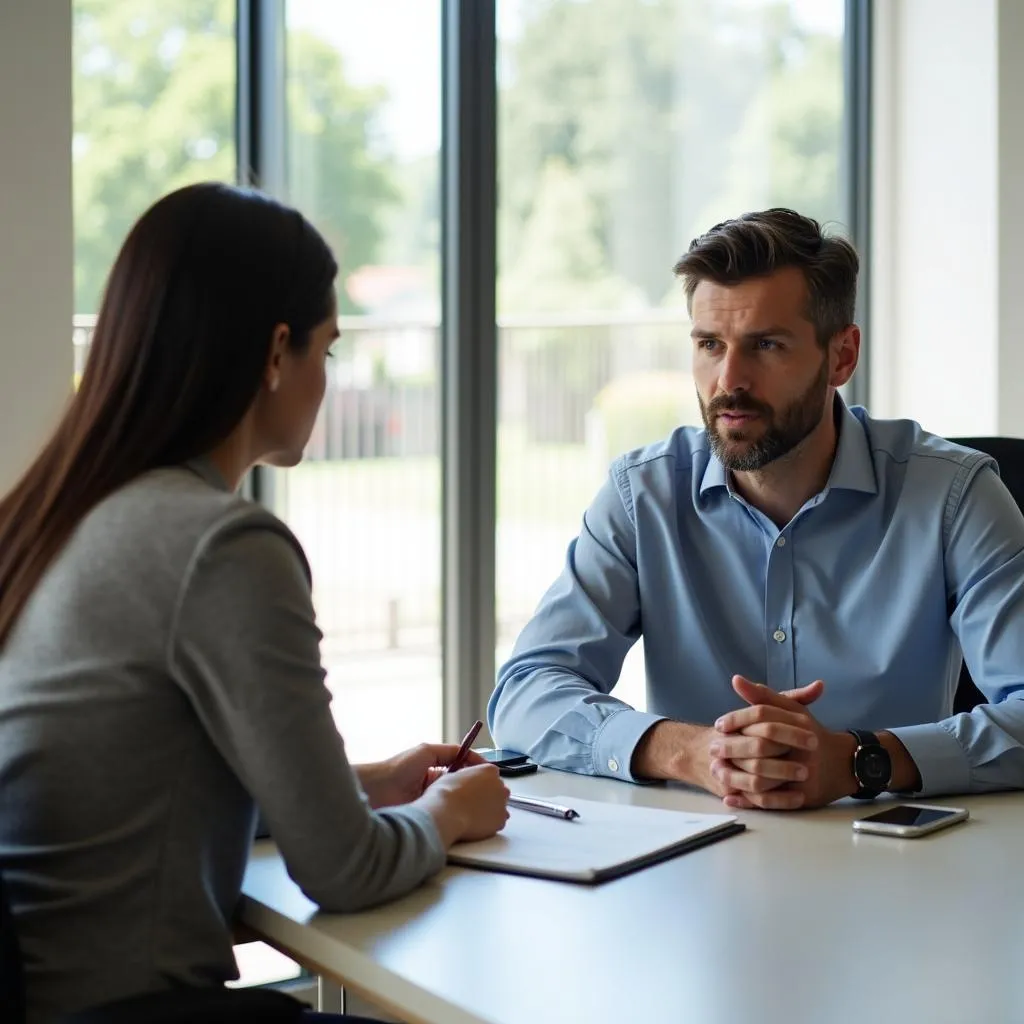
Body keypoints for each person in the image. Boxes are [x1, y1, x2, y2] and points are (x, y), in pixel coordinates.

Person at [0, 183, 509, 1024]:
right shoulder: (221, 545)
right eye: (328, 352)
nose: (326, 382)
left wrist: (374, 784)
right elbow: (345, 872)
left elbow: (133, 786)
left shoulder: (62, 514)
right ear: (278, 351)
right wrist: (448, 811)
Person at [490, 207, 1024, 812]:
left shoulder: (954, 497)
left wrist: (858, 761)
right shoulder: (644, 497)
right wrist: (690, 752)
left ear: (842, 356)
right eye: (709, 345)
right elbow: (525, 692)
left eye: (766, 345)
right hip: (691, 863)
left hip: (892, 858)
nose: (729, 379)